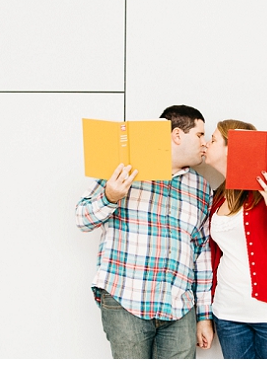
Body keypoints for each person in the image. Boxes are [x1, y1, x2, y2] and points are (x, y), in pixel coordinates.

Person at [75, 105, 215, 359]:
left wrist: (204, 316)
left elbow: (202, 254)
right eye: (199, 135)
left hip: (179, 307)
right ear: (176, 135)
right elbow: (82, 219)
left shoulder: (201, 188)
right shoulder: (125, 169)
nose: (205, 143)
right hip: (125, 298)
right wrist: (110, 196)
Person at [203, 119, 267, 359]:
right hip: (229, 316)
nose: (207, 144)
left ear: (234, 148)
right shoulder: (218, 196)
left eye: (213, 140)